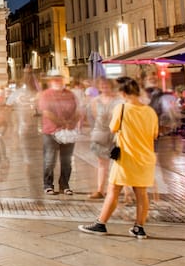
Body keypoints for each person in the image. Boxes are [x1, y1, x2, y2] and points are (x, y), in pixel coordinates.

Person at [79, 76, 159, 239]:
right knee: (142, 194)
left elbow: (113, 127)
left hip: (126, 157)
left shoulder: (122, 109)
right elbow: (155, 134)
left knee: (113, 190)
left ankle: (100, 224)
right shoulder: (150, 111)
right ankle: (139, 228)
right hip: (146, 158)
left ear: (123, 93)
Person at [37, 69, 79, 195]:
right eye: (55, 79)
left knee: (67, 161)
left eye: (59, 79)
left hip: (68, 131)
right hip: (51, 131)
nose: (58, 81)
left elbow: (78, 111)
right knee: (50, 160)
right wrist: (62, 122)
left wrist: (71, 122)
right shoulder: (45, 95)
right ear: (50, 81)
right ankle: (48, 185)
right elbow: (46, 112)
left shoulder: (70, 94)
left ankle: (64, 185)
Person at [87, 78, 122, 199]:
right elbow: (95, 116)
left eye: (107, 85)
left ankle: (124, 192)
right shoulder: (95, 101)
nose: (104, 87)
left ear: (111, 86)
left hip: (116, 134)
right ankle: (100, 190)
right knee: (102, 163)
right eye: (102, 85)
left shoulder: (119, 100)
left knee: (120, 163)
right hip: (101, 134)